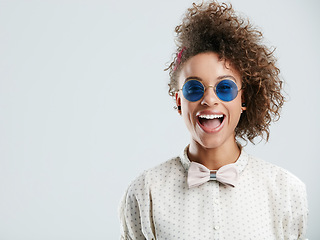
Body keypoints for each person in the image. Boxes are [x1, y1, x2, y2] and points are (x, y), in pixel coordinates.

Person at [119, 1, 308, 239]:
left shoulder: (287, 191)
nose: (209, 99)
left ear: (244, 98)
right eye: (194, 88)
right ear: (179, 102)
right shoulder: (145, 191)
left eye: (225, 88)